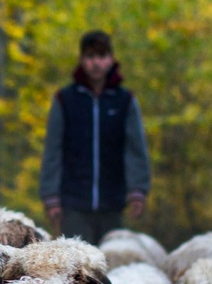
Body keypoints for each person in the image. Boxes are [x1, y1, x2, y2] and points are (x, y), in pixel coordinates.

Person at [39, 31, 151, 242]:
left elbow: (135, 148)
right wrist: (50, 196)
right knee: (77, 268)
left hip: (113, 203)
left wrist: (138, 189)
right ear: (82, 60)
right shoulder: (65, 100)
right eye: (90, 57)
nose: (96, 63)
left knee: (111, 264)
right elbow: (53, 150)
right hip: (72, 204)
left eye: (101, 56)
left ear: (111, 59)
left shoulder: (124, 101)